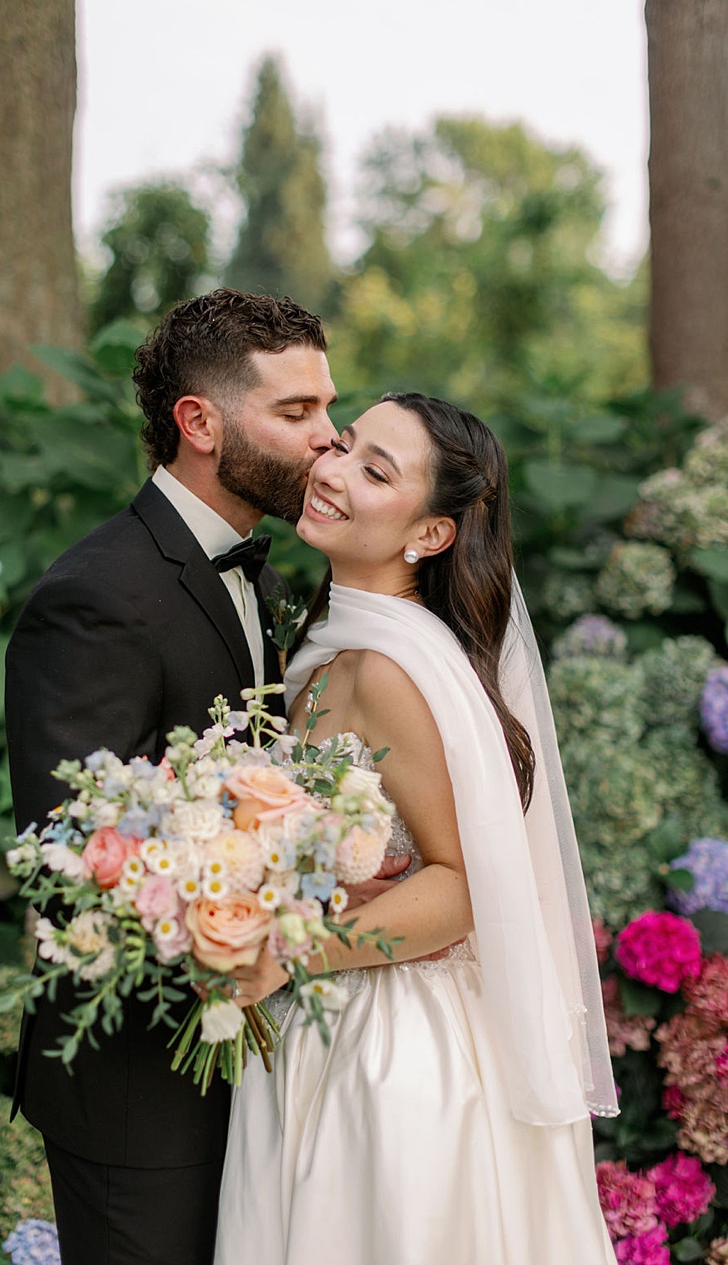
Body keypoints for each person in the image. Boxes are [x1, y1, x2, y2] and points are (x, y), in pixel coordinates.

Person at [213, 394, 617, 1263]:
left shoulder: (389, 670)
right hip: (321, 1022)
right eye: (346, 445)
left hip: (393, 1057)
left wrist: (290, 944)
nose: (331, 469)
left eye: (375, 470)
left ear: (430, 535)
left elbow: (463, 884)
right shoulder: (331, 649)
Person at [5, 290, 352, 1265]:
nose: (326, 439)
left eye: (325, 407)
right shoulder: (94, 593)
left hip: (249, 1063)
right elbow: (72, 847)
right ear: (198, 423)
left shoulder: (262, 572)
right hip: (137, 1091)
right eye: (295, 413)